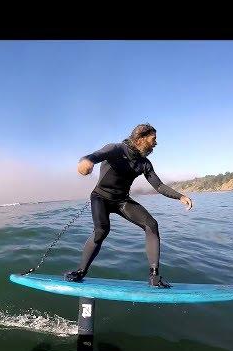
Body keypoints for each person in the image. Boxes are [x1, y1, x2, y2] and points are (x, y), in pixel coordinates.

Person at [64, 123, 193, 288]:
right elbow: (93, 156)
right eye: (153, 139)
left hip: (122, 201)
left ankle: (154, 276)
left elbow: (159, 186)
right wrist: (85, 163)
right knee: (101, 231)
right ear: (140, 138)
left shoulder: (144, 163)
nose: (156, 143)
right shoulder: (116, 149)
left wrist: (180, 196)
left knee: (151, 224)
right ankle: (80, 272)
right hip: (100, 197)